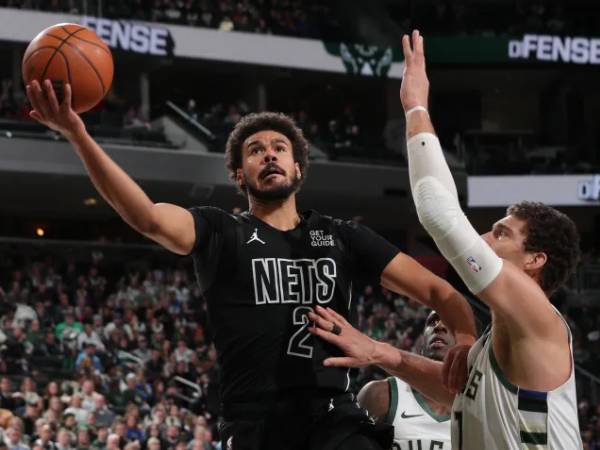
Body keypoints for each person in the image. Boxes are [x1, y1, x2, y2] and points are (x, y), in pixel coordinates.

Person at [26, 78, 477, 450]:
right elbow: (146, 217)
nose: (270, 154)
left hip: (333, 422)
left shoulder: (343, 236)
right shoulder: (220, 232)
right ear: (240, 174)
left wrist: (464, 343)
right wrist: (78, 135)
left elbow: (442, 293)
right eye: (256, 150)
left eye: (280, 147)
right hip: (254, 426)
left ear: (298, 168)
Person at [309, 30, 583, 450]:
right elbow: (452, 392)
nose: (485, 238)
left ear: (535, 260)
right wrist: (384, 354)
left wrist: (415, 106)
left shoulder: (536, 315)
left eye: (501, 232)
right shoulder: (503, 336)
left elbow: (439, 214)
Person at [358, 310, 452, 449]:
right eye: (432, 322)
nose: (438, 326)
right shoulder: (381, 394)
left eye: (450, 322)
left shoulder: (481, 408)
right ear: (422, 343)